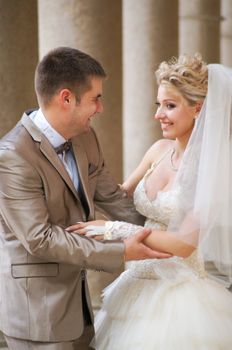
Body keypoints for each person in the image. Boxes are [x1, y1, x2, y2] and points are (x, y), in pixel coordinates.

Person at [0, 47, 170, 350]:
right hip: (38, 314)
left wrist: (171, 232)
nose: (101, 108)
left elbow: (113, 198)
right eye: (96, 98)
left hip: (80, 309)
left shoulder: (85, 136)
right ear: (66, 98)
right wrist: (120, 250)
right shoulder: (12, 156)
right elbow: (39, 238)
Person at [71, 54, 232, 349]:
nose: (159, 114)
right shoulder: (158, 150)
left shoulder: (210, 169)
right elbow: (117, 196)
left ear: (198, 108)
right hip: (134, 286)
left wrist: (112, 230)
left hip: (180, 297)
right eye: (158, 104)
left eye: (170, 106)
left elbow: (184, 243)